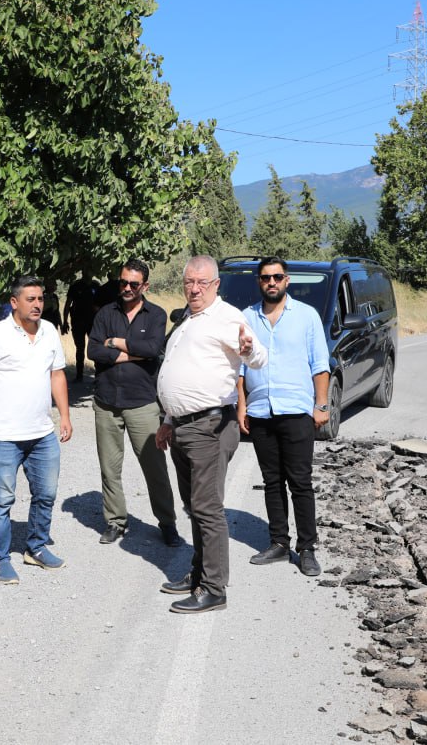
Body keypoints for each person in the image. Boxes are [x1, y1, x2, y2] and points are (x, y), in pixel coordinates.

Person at [155, 255, 267, 614]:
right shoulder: (189, 318)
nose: (194, 288)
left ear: (216, 285)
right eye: (189, 281)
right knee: (194, 507)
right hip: (183, 426)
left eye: (202, 283)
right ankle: (199, 573)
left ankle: (214, 588)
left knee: (207, 509)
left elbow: (258, 356)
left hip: (209, 427)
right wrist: (168, 420)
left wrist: (249, 350)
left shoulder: (228, 316)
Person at [0, 276, 74, 584]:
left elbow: (57, 375)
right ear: (14, 302)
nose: (38, 304)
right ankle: (1, 560)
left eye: (40, 298)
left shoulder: (50, 331)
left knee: (46, 494)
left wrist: (64, 416)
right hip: (2, 436)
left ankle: (36, 548)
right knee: (2, 501)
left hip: (41, 433)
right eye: (31, 299)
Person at [236, 258, 330, 578]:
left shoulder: (306, 316)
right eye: (266, 278)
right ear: (259, 282)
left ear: (286, 280)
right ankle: (278, 542)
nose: (271, 282)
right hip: (261, 411)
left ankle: (307, 549)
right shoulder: (247, 318)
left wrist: (322, 405)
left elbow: (320, 364)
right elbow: (240, 368)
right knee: (272, 481)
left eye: (277, 277)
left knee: (300, 482)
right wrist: (241, 406)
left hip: (296, 411)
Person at [87, 259, 180, 547]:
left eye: (133, 284)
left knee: (154, 468)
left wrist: (114, 343)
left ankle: (167, 523)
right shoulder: (105, 312)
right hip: (107, 403)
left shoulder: (156, 314)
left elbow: (153, 348)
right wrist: (129, 353)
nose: (126, 288)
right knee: (109, 468)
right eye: (123, 282)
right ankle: (115, 521)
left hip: (142, 404)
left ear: (145, 286)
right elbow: (93, 350)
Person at [62, 272, 99, 381]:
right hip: (78, 322)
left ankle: (98, 375)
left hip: (93, 323)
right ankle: (79, 375)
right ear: (83, 272)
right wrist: (65, 321)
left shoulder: (96, 286)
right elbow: (68, 304)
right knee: (80, 348)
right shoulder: (76, 285)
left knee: (95, 347)